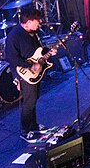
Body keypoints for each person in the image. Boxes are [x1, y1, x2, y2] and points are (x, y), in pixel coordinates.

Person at [5, 7, 56, 141]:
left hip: (35, 72)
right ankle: (24, 130)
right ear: (28, 21)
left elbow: (38, 50)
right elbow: (12, 58)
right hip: (24, 73)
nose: (39, 22)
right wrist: (30, 65)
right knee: (28, 101)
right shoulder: (14, 35)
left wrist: (49, 51)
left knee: (34, 99)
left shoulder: (33, 33)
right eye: (37, 20)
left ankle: (33, 125)